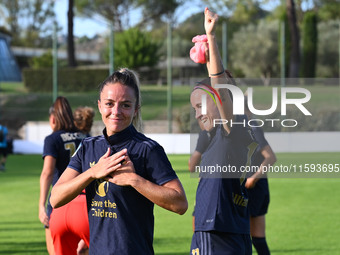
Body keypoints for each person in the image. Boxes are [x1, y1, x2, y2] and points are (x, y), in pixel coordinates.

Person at [50, 68, 188, 254]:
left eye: (125, 105)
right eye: (109, 103)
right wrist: (92, 172)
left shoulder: (148, 149)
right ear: (99, 106)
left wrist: (134, 180)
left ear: (136, 109)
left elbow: (180, 204)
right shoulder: (88, 147)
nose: (116, 111)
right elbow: (56, 198)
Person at [190, 8, 257, 255]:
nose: (198, 113)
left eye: (201, 105)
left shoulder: (233, 126)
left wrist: (212, 37)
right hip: (235, 229)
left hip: (216, 230)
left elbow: (219, 86)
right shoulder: (244, 129)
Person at [39, 96, 87, 255]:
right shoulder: (84, 137)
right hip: (84, 201)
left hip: (60, 200)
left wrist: (41, 205)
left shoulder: (52, 139)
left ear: (53, 118)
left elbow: (47, 172)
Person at [244, 97, 276, 255]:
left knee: (247, 237)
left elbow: (270, 157)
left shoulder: (252, 128)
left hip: (255, 190)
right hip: (257, 189)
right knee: (256, 238)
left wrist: (253, 177)